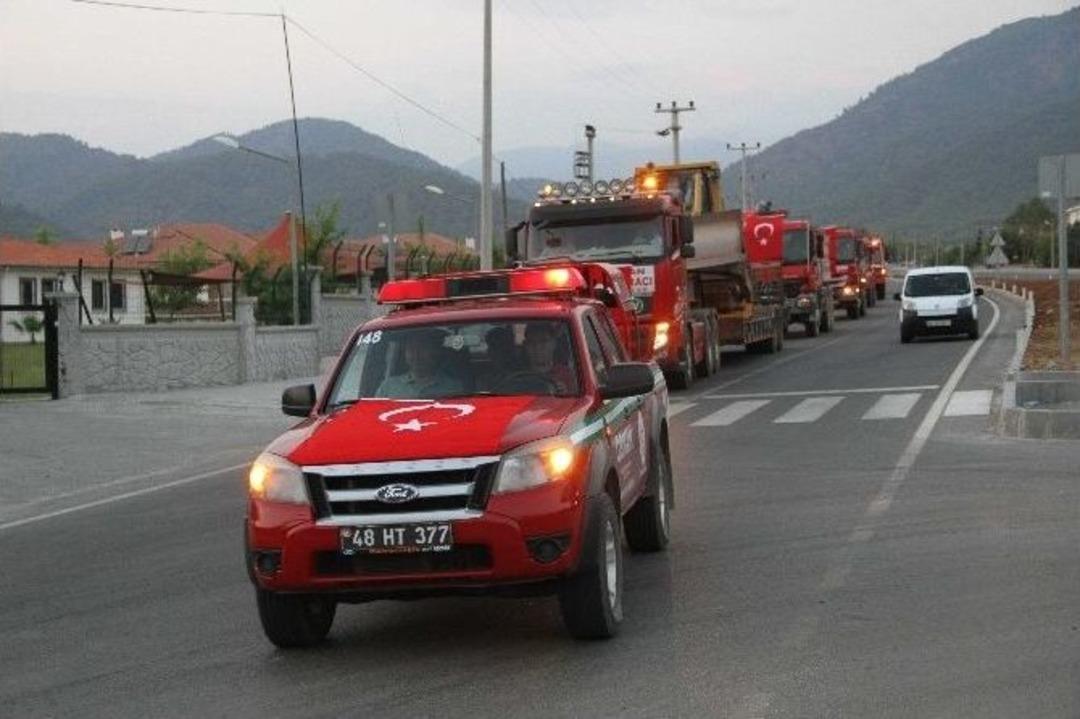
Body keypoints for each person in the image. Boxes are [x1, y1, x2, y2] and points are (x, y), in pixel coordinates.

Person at [375, 329, 463, 399]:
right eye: (411, 348)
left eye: (423, 348)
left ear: (435, 351)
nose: (416, 354)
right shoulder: (388, 387)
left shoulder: (453, 388)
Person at [521, 322, 577, 394]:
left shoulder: (567, 375)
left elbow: (577, 402)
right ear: (525, 346)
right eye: (532, 342)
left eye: (543, 341)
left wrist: (565, 394)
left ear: (554, 344)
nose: (537, 348)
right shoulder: (517, 376)